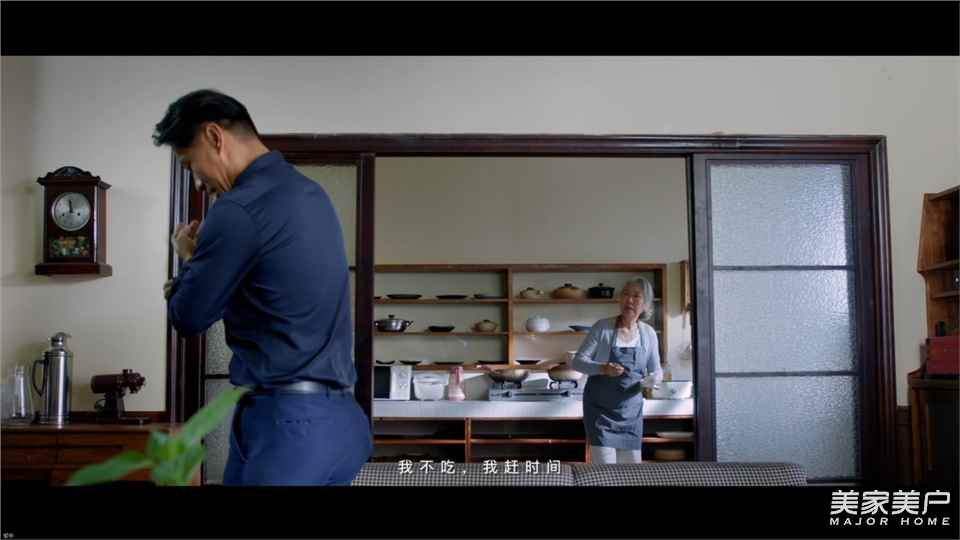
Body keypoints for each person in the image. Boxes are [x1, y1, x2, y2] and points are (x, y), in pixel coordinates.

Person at [154, 89, 372, 485]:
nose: (198, 182)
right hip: (340, 422)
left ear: (214, 137)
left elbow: (188, 316)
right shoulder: (311, 193)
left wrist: (189, 261)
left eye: (190, 164)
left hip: (288, 427)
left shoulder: (238, 208)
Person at [571, 277, 663, 464]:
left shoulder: (648, 334)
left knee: (631, 471)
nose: (629, 300)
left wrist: (653, 379)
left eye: (636, 296)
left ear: (645, 304)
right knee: (604, 470)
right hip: (600, 413)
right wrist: (603, 368)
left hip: (631, 413)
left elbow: (657, 371)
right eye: (626, 294)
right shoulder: (602, 327)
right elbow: (578, 362)